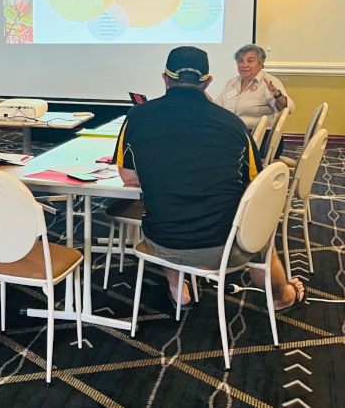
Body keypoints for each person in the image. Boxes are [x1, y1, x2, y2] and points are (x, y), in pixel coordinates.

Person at [112, 46, 304, 312]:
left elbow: (129, 178)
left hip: (164, 242)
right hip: (225, 247)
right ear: (207, 82)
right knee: (259, 227)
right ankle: (281, 297)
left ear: (165, 79)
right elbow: (254, 188)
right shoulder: (233, 124)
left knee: (164, 206)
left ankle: (179, 292)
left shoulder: (136, 117)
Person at [214, 44, 294, 131]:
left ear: (261, 63)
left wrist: (277, 96)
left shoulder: (269, 82)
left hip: (258, 135)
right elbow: (216, 106)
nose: (244, 65)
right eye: (240, 61)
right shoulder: (232, 83)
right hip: (233, 132)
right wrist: (199, 90)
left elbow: (287, 109)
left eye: (250, 61)